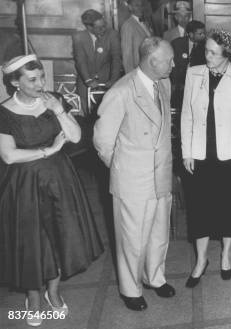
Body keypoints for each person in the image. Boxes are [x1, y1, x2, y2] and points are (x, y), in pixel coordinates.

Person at [0, 54, 103, 326]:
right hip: (23, 184)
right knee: (31, 242)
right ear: (14, 83)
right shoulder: (3, 112)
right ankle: (33, 299)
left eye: (42, 77)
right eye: (32, 79)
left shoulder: (54, 99)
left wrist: (58, 110)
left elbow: (78, 136)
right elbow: (9, 156)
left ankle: (54, 293)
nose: (40, 83)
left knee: (59, 236)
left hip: (59, 180)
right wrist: (50, 150)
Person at [93, 37, 175, 311]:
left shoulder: (163, 84)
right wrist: (123, 170)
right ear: (153, 62)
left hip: (161, 175)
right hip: (133, 181)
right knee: (132, 239)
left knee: (159, 234)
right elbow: (103, 142)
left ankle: (155, 278)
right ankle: (130, 289)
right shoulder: (121, 91)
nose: (174, 64)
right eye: (169, 60)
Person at [180, 29, 231, 287]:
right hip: (200, 154)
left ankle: (226, 254)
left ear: (227, 55)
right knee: (199, 208)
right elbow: (186, 116)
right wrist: (187, 151)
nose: (207, 55)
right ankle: (201, 260)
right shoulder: (194, 73)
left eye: (213, 52)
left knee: (227, 208)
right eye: (206, 50)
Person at [72, 9, 121, 114]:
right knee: (87, 119)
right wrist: (88, 80)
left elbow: (116, 59)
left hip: (107, 83)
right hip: (85, 85)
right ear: (89, 27)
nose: (104, 29)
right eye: (99, 28)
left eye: (104, 25)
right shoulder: (79, 37)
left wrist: (113, 80)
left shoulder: (112, 35)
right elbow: (80, 61)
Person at [170, 20, 206, 110]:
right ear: (190, 34)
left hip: (197, 86)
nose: (203, 36)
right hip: (178, 86)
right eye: (200, 33)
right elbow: (172, 65)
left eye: (203, 33)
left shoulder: (206, 46)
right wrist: (175, 83)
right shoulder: (176, 44)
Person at [121, 0, 153, 73]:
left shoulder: (146, 23)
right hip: (138, 71)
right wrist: (131, 77)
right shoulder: (128, 26)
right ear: (130, 7)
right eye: (137, 5)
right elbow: (127, 56)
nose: (140, 8)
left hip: (149, 69)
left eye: (141, 5)